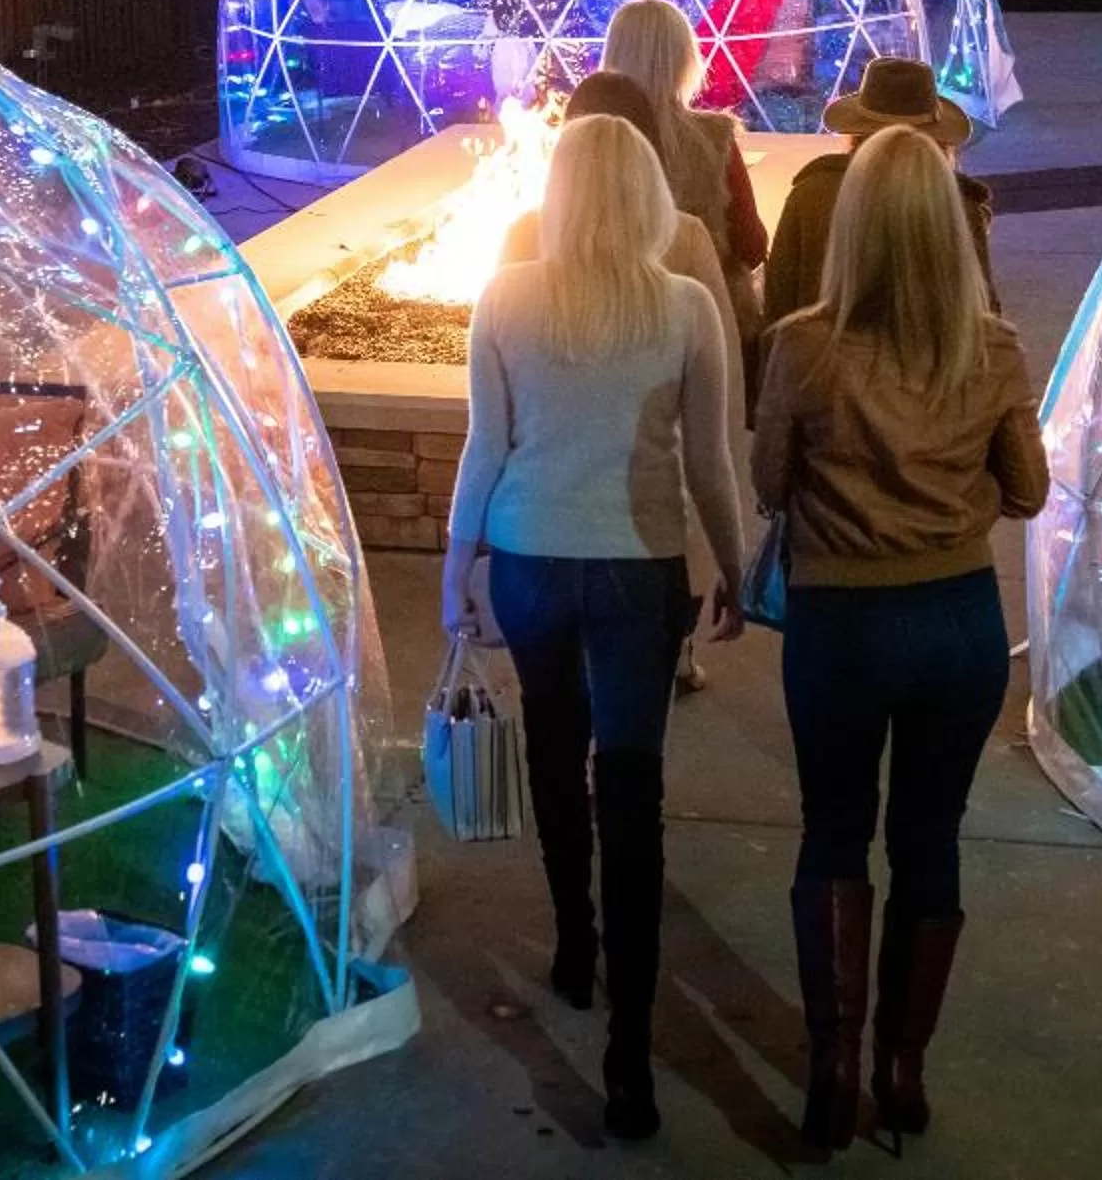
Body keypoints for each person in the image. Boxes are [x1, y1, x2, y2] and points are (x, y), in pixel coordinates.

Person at [441, 114, 746, 1140]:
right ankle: (630, 1058)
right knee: (632, 785)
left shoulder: (506, 297)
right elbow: (710, 463)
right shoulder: (686, 306)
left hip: (529, 558)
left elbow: (485, 449)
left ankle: (574, 940)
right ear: (651, 197)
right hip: (637, 570)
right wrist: (735, 565)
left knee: (553, 745)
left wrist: (457, 571)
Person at [751, 125, 1048, 1150]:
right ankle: (903, 1069)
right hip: (956, 621)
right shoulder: (993, 349)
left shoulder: (800, 344)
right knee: (931, 839)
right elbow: (1029, 491)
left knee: (833, 831)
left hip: (838, 623)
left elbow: (766, 486)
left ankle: (832, 1070)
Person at [500, 71, 749, 693]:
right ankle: (675, 650)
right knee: (632, 746)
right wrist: (729, 557)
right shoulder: (686, 238)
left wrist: (469, 555)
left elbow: (501, 399)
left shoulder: (524, 238)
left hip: (538, 528)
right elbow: (709, 428)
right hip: (645, 524)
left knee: (552, 729)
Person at [763, 55, 996, 328]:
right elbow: (984, 313)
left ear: (856, 132)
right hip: (935, 365)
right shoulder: (960, 206)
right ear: (940, 143)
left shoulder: (810, 193)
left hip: (823, 363)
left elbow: (778, 304)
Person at [598, 0, 768, 345]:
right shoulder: (714, 139)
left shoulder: (588, 144)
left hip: (608, 324)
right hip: (709, 327)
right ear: (683, 58)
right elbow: (752, 246)